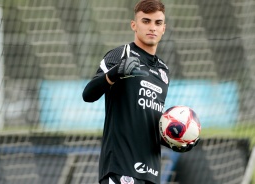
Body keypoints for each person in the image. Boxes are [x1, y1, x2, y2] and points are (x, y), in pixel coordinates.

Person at [82, 0, 198, 183]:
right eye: (146, 21)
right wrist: (116, 72)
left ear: (164, 28)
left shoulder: (163, 71)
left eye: (158, 23)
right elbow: (88, 94)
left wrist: (177, 138)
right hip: (120, 167)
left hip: (151, 173)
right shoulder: (121, 54)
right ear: (134, 25)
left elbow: (147, 124)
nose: (152, 27)